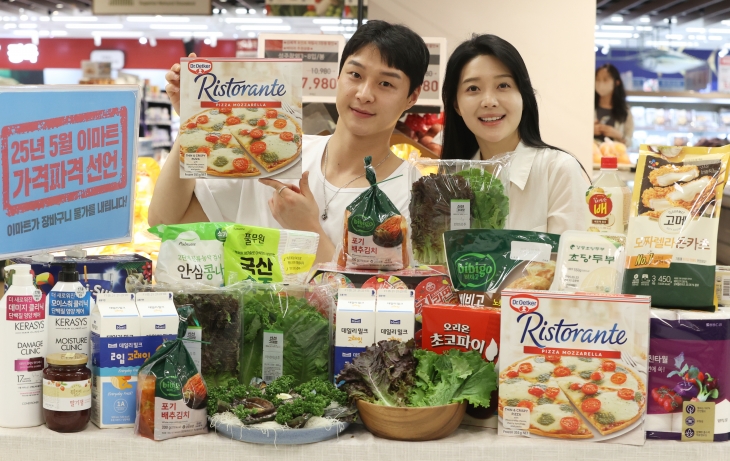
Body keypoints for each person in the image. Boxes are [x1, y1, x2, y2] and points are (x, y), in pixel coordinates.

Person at [149, 21, 430, 264]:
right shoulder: (274, 156)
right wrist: (191, 125)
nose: (364, 94)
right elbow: (166, 221)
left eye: (386, 84)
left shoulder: (416, 195)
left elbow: (385, 296)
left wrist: (308, 229)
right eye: (355, 75)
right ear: (338, 76)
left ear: (412, 97)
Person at [441, 34, 590, 234]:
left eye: (503, 85)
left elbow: (574, 253)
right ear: (456, 105)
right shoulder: (452, 180)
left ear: (523, 96)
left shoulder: (558, 170)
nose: (489, 101)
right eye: (473, 88)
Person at [594, 63, 633, 146]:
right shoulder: (588, 106)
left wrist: (617, 135)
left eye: (605, 79)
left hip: (614, 153)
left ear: (617, 82)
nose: (600, 83)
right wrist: (590, 130)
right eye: (597, 79)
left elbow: (629, 142)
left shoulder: (625, 110)